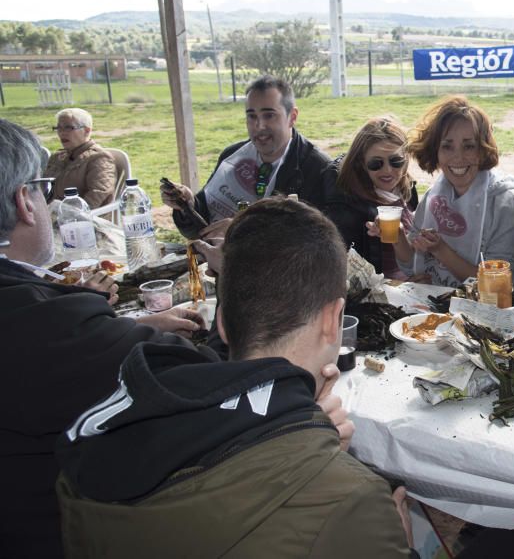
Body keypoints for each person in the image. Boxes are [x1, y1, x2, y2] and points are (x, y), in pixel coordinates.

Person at [56, 198, 412, 557]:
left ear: (222, 323)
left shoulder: (101, 442)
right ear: (333, 320)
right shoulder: (355, 501)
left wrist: (309, 442)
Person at [0, 119, 206, 558]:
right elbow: (197, 376)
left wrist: (128, 327)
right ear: (25, 202)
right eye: (42, 189)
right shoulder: (49, 324)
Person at [160, 75, 333, 239]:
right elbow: (202, 226)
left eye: (269, 115)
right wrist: (187, 205)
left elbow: (318, 241)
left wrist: (242, 230)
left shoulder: (319, 168)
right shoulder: (232, 156)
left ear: (292, 117)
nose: (259, 126)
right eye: (252, 116)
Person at [395, 95, 514, 287]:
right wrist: (397, 236)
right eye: (447, 146)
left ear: (484, 149)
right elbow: (412, 266)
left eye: (469, 146)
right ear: (436, 151)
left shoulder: (508, 205)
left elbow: (497, 286)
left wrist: (440, 250)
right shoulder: (433, 196)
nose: (458, 157)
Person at [324, 117, 418, 278]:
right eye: (376, 164)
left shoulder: (406, 188)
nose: (388, 170)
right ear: (361, 162)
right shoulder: (348, 207)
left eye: (396, 161)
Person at [44, 108, 117, 208]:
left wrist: (70, 216)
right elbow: (42, 188)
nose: (62, 133)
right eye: (59, 128)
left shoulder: (99, 158)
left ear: (86, 131)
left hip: (82, 220)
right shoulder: (57, 157)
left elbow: (98, 193)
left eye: (68, 128)